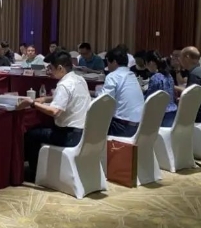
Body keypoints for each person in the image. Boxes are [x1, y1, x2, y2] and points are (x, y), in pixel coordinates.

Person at [23, 51, 91, 179]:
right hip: (83, 132)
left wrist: (32, 103)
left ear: (60, 68)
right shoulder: (80, 79)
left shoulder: (64, 84)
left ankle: (35, 173)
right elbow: (70, 97)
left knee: (31, 135)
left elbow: (54, 111)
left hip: (69, 136)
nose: (50, 71)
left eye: (51, 68)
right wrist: (46, 99)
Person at [102, 47, 144, 137]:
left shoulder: (112, 76)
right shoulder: (132, 75)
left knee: (94, 126)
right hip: (140, 126)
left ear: (114, 62)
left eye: (108, 62)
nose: (107, 66)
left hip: (122, 127)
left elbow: (104, 102)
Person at [177, 46, 201, 123]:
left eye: (180, 57)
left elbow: (192, 100)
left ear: (187, 57)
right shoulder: (200, 71)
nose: (179, 59)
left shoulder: (195, 74)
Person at [144, 50, 178, 127]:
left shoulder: (155, 78)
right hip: (173, 112)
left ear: (151, 63)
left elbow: (149, 100)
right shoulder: (169, 75)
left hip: (161, 115)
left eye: (146, 64)